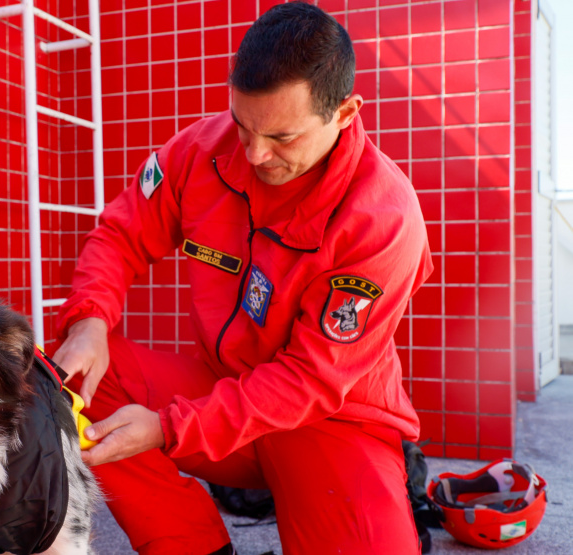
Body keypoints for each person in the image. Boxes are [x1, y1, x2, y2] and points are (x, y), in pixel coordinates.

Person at [52, 3, 433, 554]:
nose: (254, 154)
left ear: (345, 113)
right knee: (73, 379)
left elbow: (309, 381)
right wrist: (88, 321)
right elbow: (122, 234)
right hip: (221, 396)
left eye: (282, 136)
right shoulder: (199, 150)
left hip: (332, 421)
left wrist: (168, 427)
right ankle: (193, 546)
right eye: (242, 124)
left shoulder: (384, 220)